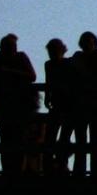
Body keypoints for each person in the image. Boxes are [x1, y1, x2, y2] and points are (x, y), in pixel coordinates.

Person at [0, 33, 40, 176]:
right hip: (5, 106)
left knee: (18, 139)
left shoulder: (20, 58)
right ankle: (8, 170)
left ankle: (18, 170)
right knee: (6, 140)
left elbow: (32, 76)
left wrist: (8, 72)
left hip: (20, 106)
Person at [70, 31, 97, 176]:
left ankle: (85, 172)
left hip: (89, 102)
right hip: (89, 102)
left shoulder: (85, 57)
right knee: (87, 140)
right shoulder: (95, 57)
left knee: (89, 140)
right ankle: (92, 173)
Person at [42, 38, 76, 174]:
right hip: (59, 104)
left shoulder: (67, 64)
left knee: (62, 137)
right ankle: (51, 165)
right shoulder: (50, 65)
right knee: (52, 137)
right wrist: (47, 97)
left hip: (67, 105)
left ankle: (59, 165)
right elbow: (48, 82)